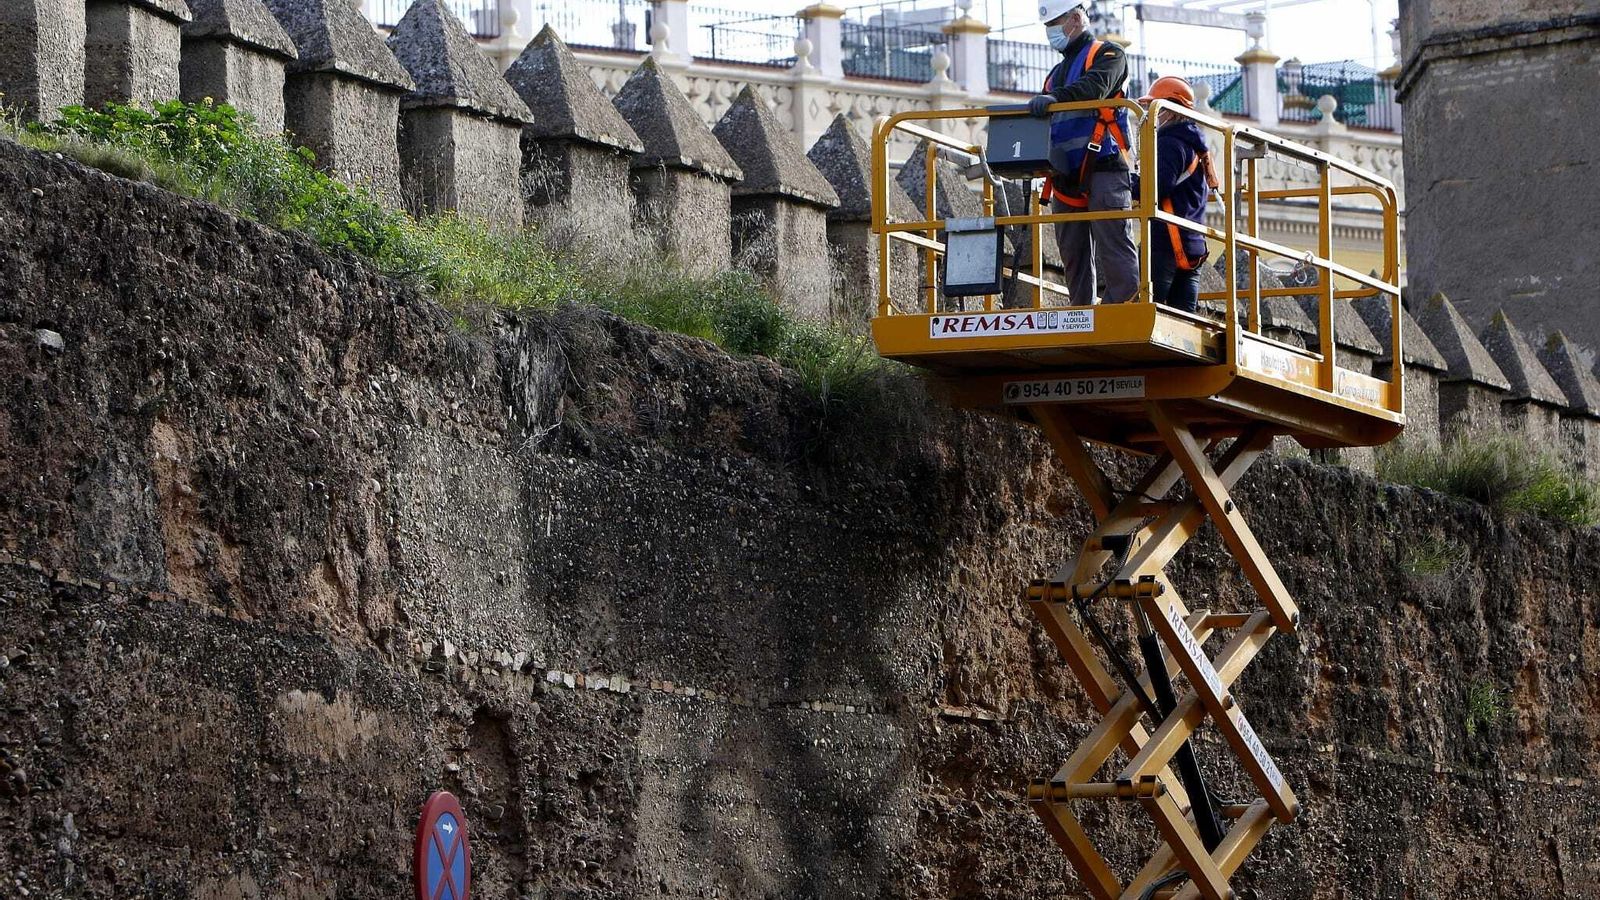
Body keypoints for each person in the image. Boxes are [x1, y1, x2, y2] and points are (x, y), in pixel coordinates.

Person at [1027, 1, 1139, 307]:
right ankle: (1080, 314)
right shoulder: (1054, 75)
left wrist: (1054, 98)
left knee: (1114, 248)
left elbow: (1094, 88)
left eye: (1054, 25)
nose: (1050, 33)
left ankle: (1123, 310)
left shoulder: (1109, 55)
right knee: (1072, 256)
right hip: (1064, 176)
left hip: (1105, 166)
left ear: (1076, 19)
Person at [1138, 76, 1217, 314]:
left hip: (1165, 244)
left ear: (1170, 111)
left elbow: (1155, 188)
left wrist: (1123, 183)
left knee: (1148, 315)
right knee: (1184, 323)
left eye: (1154, 107)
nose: (1149, 115)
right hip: (1193, 247)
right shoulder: (1195, 146)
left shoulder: (1170, 144)